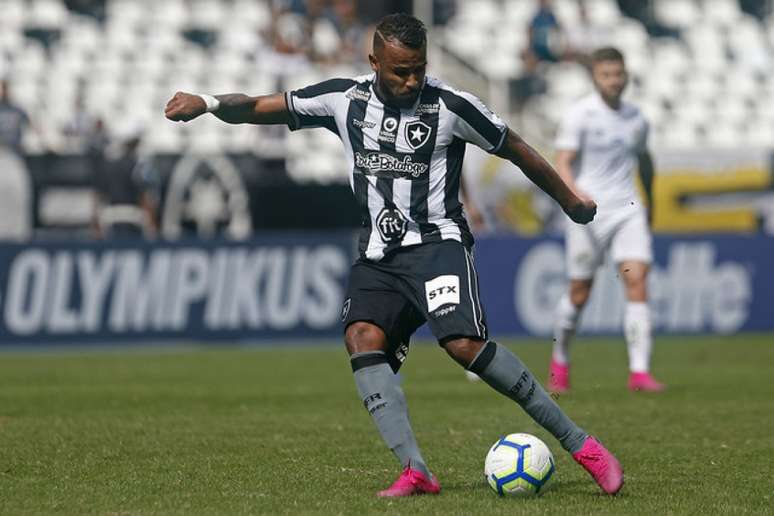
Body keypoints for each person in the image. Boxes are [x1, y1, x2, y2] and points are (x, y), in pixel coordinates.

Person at [165, 13, 623, 497]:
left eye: (419, 68)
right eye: (400, 70)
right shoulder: (345, 99)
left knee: (463, 346)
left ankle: (582, 445)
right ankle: (415, 469)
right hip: (378, 254)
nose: (411, 80)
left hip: (437, 245)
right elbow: (260, 105)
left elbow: (517, 149)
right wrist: (209, 103)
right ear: (374, 62)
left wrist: (569, 200)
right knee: (362, 337)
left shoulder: (449, 105)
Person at [548, 47, 665, 394]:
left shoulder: (637, 118)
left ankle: (640, 372)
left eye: (618, 74)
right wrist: (575, 197)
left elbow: (645, 163)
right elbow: (564, 162)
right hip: (588, 211)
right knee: (579, 294)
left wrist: (651, 201)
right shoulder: (580, 114)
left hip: (628, 209)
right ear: (595, 77)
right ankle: (560, 364)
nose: (614, 80)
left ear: (626, 74)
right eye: (607, 75)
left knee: (637, 280)